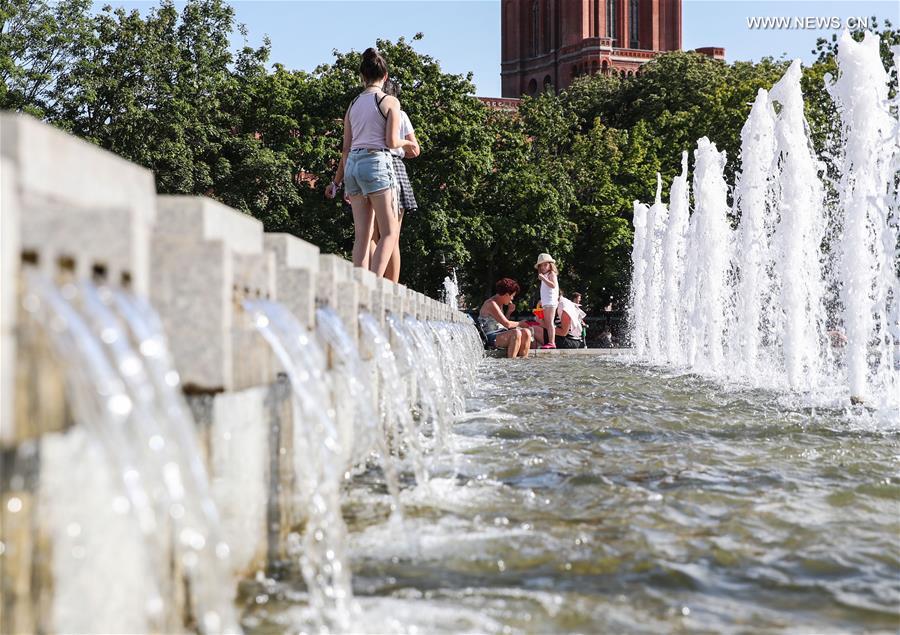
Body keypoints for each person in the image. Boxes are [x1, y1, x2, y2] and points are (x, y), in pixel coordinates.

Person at [326, 48, 417, 277]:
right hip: (376, 162)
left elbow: (345, 147)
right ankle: (375, 286)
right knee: (389, 233)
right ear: (385, 76)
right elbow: (391, 141)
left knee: (362, 236)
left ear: (362, 76)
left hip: (353, 165)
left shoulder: (353, 104)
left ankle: (359, 285)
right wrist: (408, 145)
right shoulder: (390, 101)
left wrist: (340, 182)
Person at [370, 79, 420, 283]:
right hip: (394, 167)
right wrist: (402, 148)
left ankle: (371, 279)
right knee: (392, 236)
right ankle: (391, 286)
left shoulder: (366, 110)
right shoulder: (400, 114)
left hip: (369, 162)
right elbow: (415, 150)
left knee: (371, 235)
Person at [478, 278, 531, 358]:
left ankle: (523, 361)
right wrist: (521, 323)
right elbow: (507, 324)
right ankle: (512, 363)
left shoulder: (500, 303)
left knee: (527, 332)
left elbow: (502, 323)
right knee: (516, 333)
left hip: (500, 333)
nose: (512, 299)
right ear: (506, 294)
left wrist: (509, 311)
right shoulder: (491, 304)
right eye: (512, 296)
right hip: (490, 337)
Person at [535, 253, 559, 349]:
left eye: (546, 264)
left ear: (550, 265)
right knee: (538, 319)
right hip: (546, 302)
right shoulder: (545, 275)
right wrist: (541, 300)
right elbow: (546, 291)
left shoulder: (551, 274)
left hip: (550, 302)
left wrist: (544, 279)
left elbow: (553, 285)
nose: (544, 267)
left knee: (549, 322)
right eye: (542, 265)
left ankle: (552, 342)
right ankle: (550, 338)